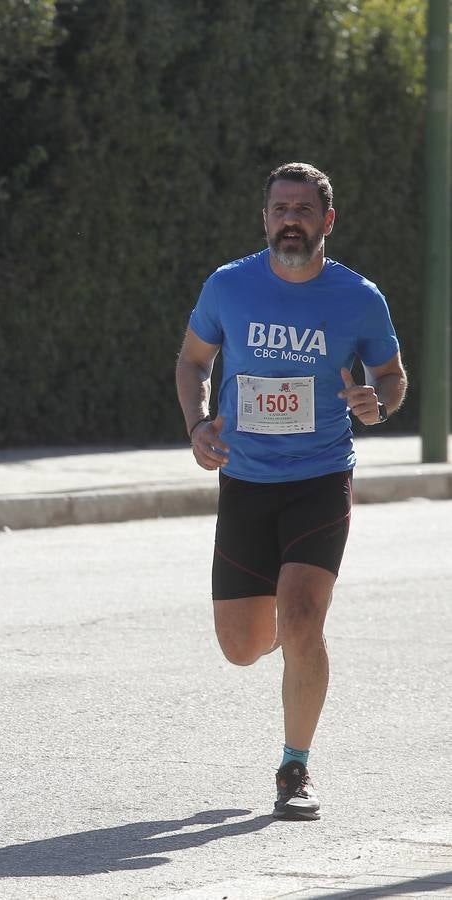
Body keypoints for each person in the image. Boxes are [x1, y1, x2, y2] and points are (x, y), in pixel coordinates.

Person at [175, 162, 406, 820]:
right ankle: (283, 629)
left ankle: (294, 767)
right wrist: (196, 426)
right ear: (265, 219)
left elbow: (391, 375)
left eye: (303, 209)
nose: (290, 220)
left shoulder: (358, 297)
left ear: (326, 221)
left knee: (304, 617)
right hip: (245, 478)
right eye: (280, 209)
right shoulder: (229, 286)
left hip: (320, 474)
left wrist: (378, 404)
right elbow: (194, 360)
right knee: (242, 647)